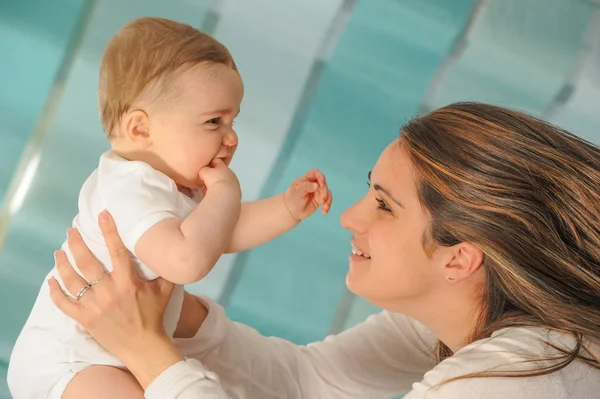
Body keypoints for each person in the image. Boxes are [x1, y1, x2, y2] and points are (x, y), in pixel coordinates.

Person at [44, 103, 600, 398]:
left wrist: (148, 355)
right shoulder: (473, 314)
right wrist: (179, 322)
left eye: (383, 205)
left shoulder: (517, 384)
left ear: (460, 259)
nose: (351, 217)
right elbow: (309, 385)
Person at [6, 17, 332, 399]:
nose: (232, 137)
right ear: (141, 129)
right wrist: (225, 194)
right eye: (214, 121)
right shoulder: (130, 187)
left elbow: (219, 231)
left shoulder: (170, 185)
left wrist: (286, 208)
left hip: (113, 354)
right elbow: (186, 260)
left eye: (233, 120)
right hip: (70, 362)